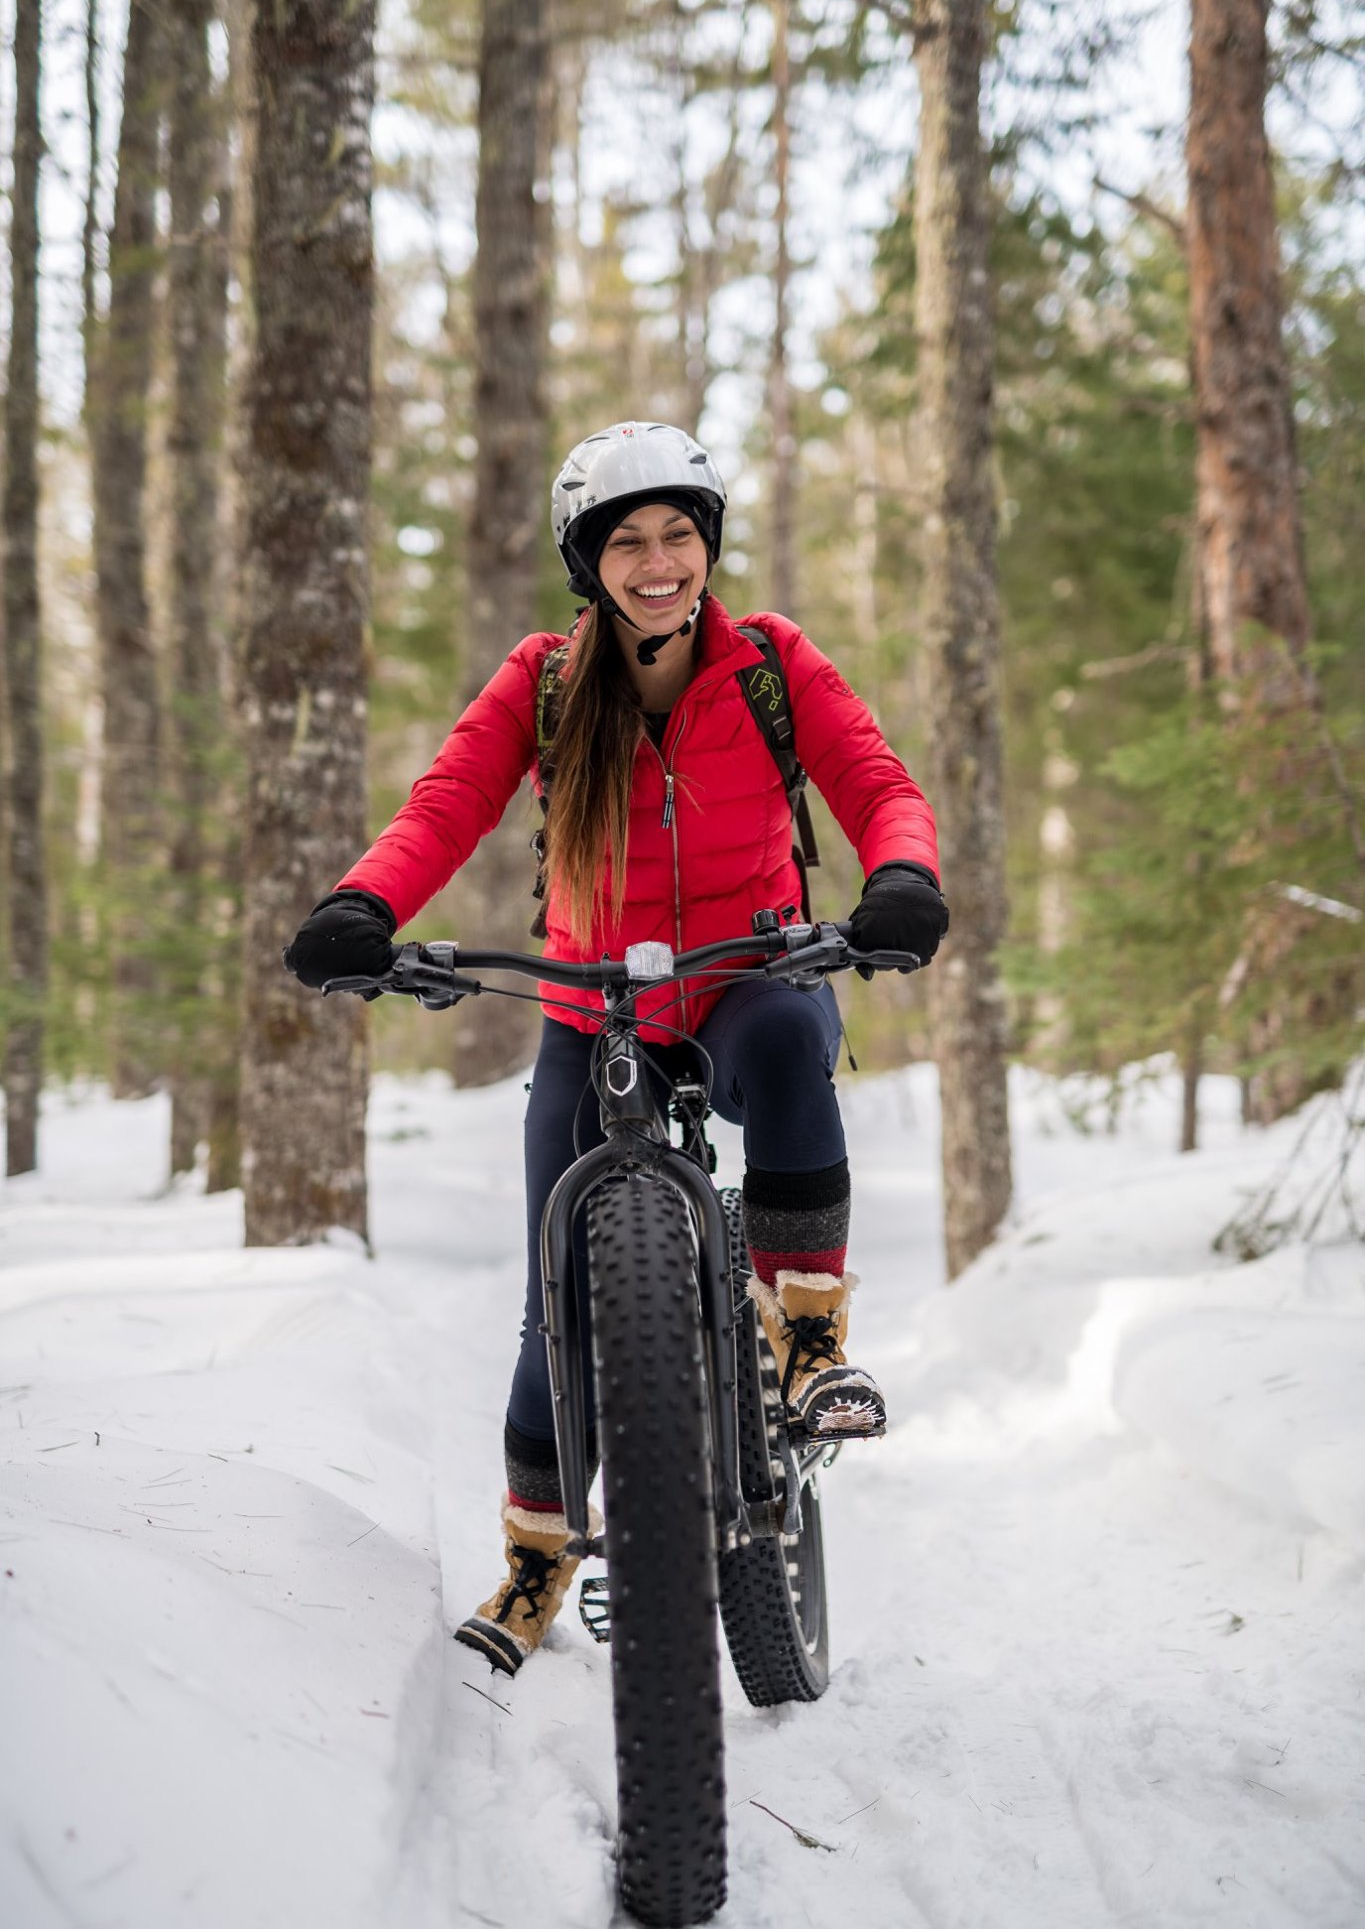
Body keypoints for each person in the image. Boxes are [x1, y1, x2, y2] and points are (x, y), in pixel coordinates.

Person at [285, 420, 947, 1678]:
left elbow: (876, 781)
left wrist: (902, 876)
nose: (657, 563)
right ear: (588, 563)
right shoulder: (544, 682)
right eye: (627, 541)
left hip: (750, 974)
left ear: (709, 545)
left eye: (677, 535)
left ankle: (808, 1338)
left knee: (791, 1044)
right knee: (556, 1306)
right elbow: (446, 803)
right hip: (598, 1009)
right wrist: (362, 905)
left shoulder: (768, 662)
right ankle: (538, 1560)